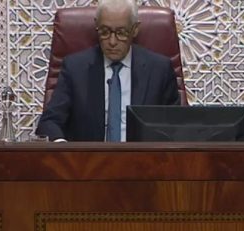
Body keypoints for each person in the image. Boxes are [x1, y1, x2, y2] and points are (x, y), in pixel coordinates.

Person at [36, 0, 180, 142]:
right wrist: (64, 149)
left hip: (142, 156)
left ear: (135, 29)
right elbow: (49, 122)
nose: (112, 42)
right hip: (87, 156)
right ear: (96, 25)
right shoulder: (75, 68)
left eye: (121, 33)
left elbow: (176, 126)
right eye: (104, 32)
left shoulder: (159, 70)